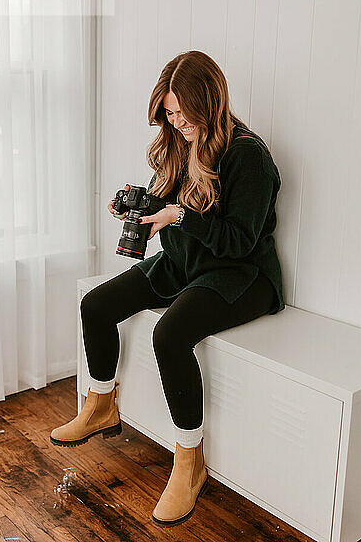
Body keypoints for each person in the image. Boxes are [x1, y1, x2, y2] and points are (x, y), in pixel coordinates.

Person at [50, 50, 285, 528]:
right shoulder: (181, 143)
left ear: (210, 102)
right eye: (170, 114)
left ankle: (189, 459)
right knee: (96, 305)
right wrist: (137, 203)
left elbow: (239, 240)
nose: (177, 123)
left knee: (169, 335)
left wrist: (179, 216)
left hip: (241, 275)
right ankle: (100, 404)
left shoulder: (249, 157)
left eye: (183, 112)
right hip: (185, 261)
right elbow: (170, 199)